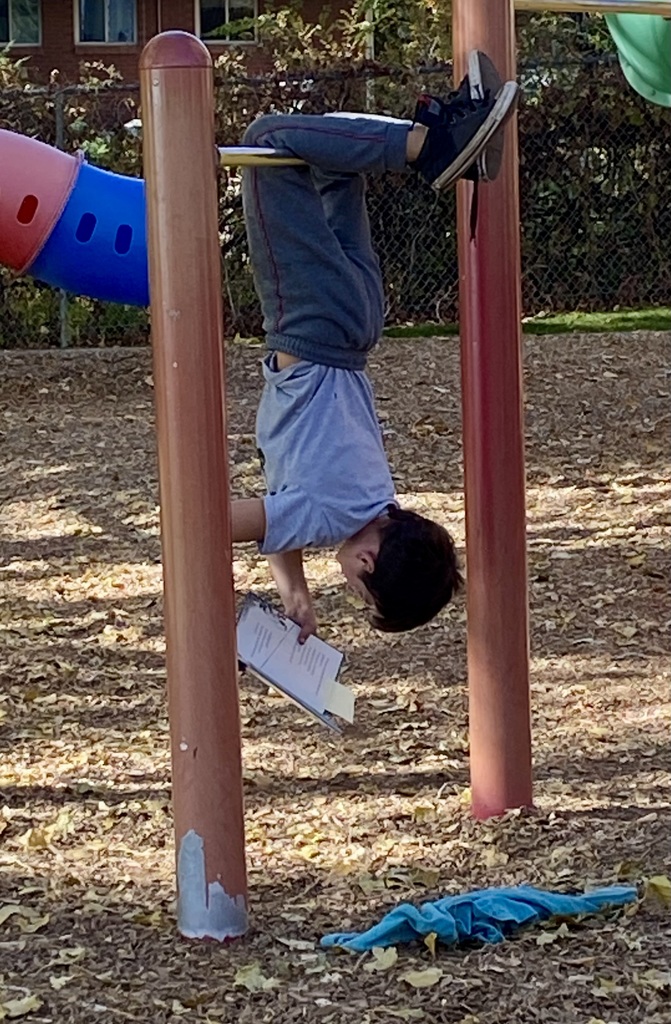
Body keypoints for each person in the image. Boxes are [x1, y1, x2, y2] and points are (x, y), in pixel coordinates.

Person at [231, 51, 520, 642]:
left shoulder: (372, 498)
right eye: (361, 597)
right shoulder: (329, 517)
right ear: (366, 567)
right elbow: (209, 522)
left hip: (358, 323)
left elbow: (281, 513)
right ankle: (434, 144)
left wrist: (295, 593)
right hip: (312, 324)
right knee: (265, 141)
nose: (352, 592)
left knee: (336, 171)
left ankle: (446, 128)